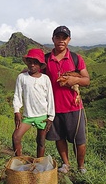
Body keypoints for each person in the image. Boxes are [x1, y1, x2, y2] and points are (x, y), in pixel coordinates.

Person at [45, 26, 90, 173]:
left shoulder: (76, 58)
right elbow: (34, 71)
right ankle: (66, 164)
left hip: (74, 107)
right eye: (58, 37)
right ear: (53, 39)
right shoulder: (46, 59)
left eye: (64, 38)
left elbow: (86, 80)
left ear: (68, 40)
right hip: (53, 107)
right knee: (59, 138)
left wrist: (72, 80)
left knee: (80, 139)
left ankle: (81, 166)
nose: (61, 41)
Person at [12, 48, 55, 158]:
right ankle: (19, 161)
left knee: (41, 141)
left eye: (35, 62)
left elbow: (50, 98)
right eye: (30, 62)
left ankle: (39, 163)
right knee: (16, 137)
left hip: (42, 116)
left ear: (40, 64)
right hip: (28, 116)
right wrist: (17, 111)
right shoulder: (22, 77)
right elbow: (17, 95)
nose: (32, 65)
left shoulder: (45, 79)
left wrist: (51, 117)